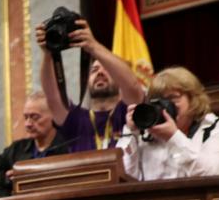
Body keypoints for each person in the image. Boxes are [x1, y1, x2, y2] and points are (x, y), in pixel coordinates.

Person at [36, 18, 145, 153]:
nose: (100, 72)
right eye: (94, 70)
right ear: (86, 80)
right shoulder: (76, 119)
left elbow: (132, 86)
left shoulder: (128, 112)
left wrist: (92, 46)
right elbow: (52, 96)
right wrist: (48, 53)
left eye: (106, 68)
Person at [117, 66, 219, 180]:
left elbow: (213, 173)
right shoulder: (147, 132)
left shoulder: (214, 127)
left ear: (193, 99)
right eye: (158, 100)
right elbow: (124, 178)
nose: (164, 106)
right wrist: (131, 133)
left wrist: (173, 137)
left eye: (173, 98)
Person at [0, 92, 73, 196]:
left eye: (35, 117)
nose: (27, 124)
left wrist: (26, 177)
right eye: (26, 117)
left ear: (54, 116)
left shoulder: (69, 149)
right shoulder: (17, 149)